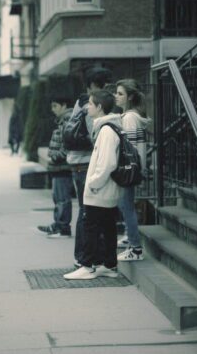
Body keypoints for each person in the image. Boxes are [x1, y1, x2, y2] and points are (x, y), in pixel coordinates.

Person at [64, 90, 124, 280]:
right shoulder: (108, 128)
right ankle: (108, 265)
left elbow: (107, 163)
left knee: (91, 226)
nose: (87, 107)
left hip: (100, 189)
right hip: (105, 189)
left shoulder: (106, 130)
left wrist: (92, 184)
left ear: (99, 107)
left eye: (90, 104)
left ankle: (87, 266)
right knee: (107, 226)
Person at [67, 67, 112, 268]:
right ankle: (84, 257)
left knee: (86, 211)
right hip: (85, 163)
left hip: (78, 163)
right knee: (88, 212)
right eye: (104, 86)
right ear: (96, 86)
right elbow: (95, 136)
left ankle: (85, 255)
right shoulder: (89, 106)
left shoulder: (80, 102)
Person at [113, 79, 150, 261]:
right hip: (133, 169)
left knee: (126, 206)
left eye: (120, 94)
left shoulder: (129, 118)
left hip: (128, 170)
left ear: (130, 97)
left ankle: (135, 248)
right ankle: (130, 237)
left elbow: (129, 148)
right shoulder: (132, 116)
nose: (116, 96)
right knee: (126, 205)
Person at [37, 97, 74, 237]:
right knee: (59, 197)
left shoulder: (67, 120)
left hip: (62, 166)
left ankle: (62, 227)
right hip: (60, 166)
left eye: (55, 106)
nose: (53, 110)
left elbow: (67, 146)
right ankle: (60, 225)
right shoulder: (64, 119)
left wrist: (54, 155)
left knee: (62, 198)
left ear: (64, 105)